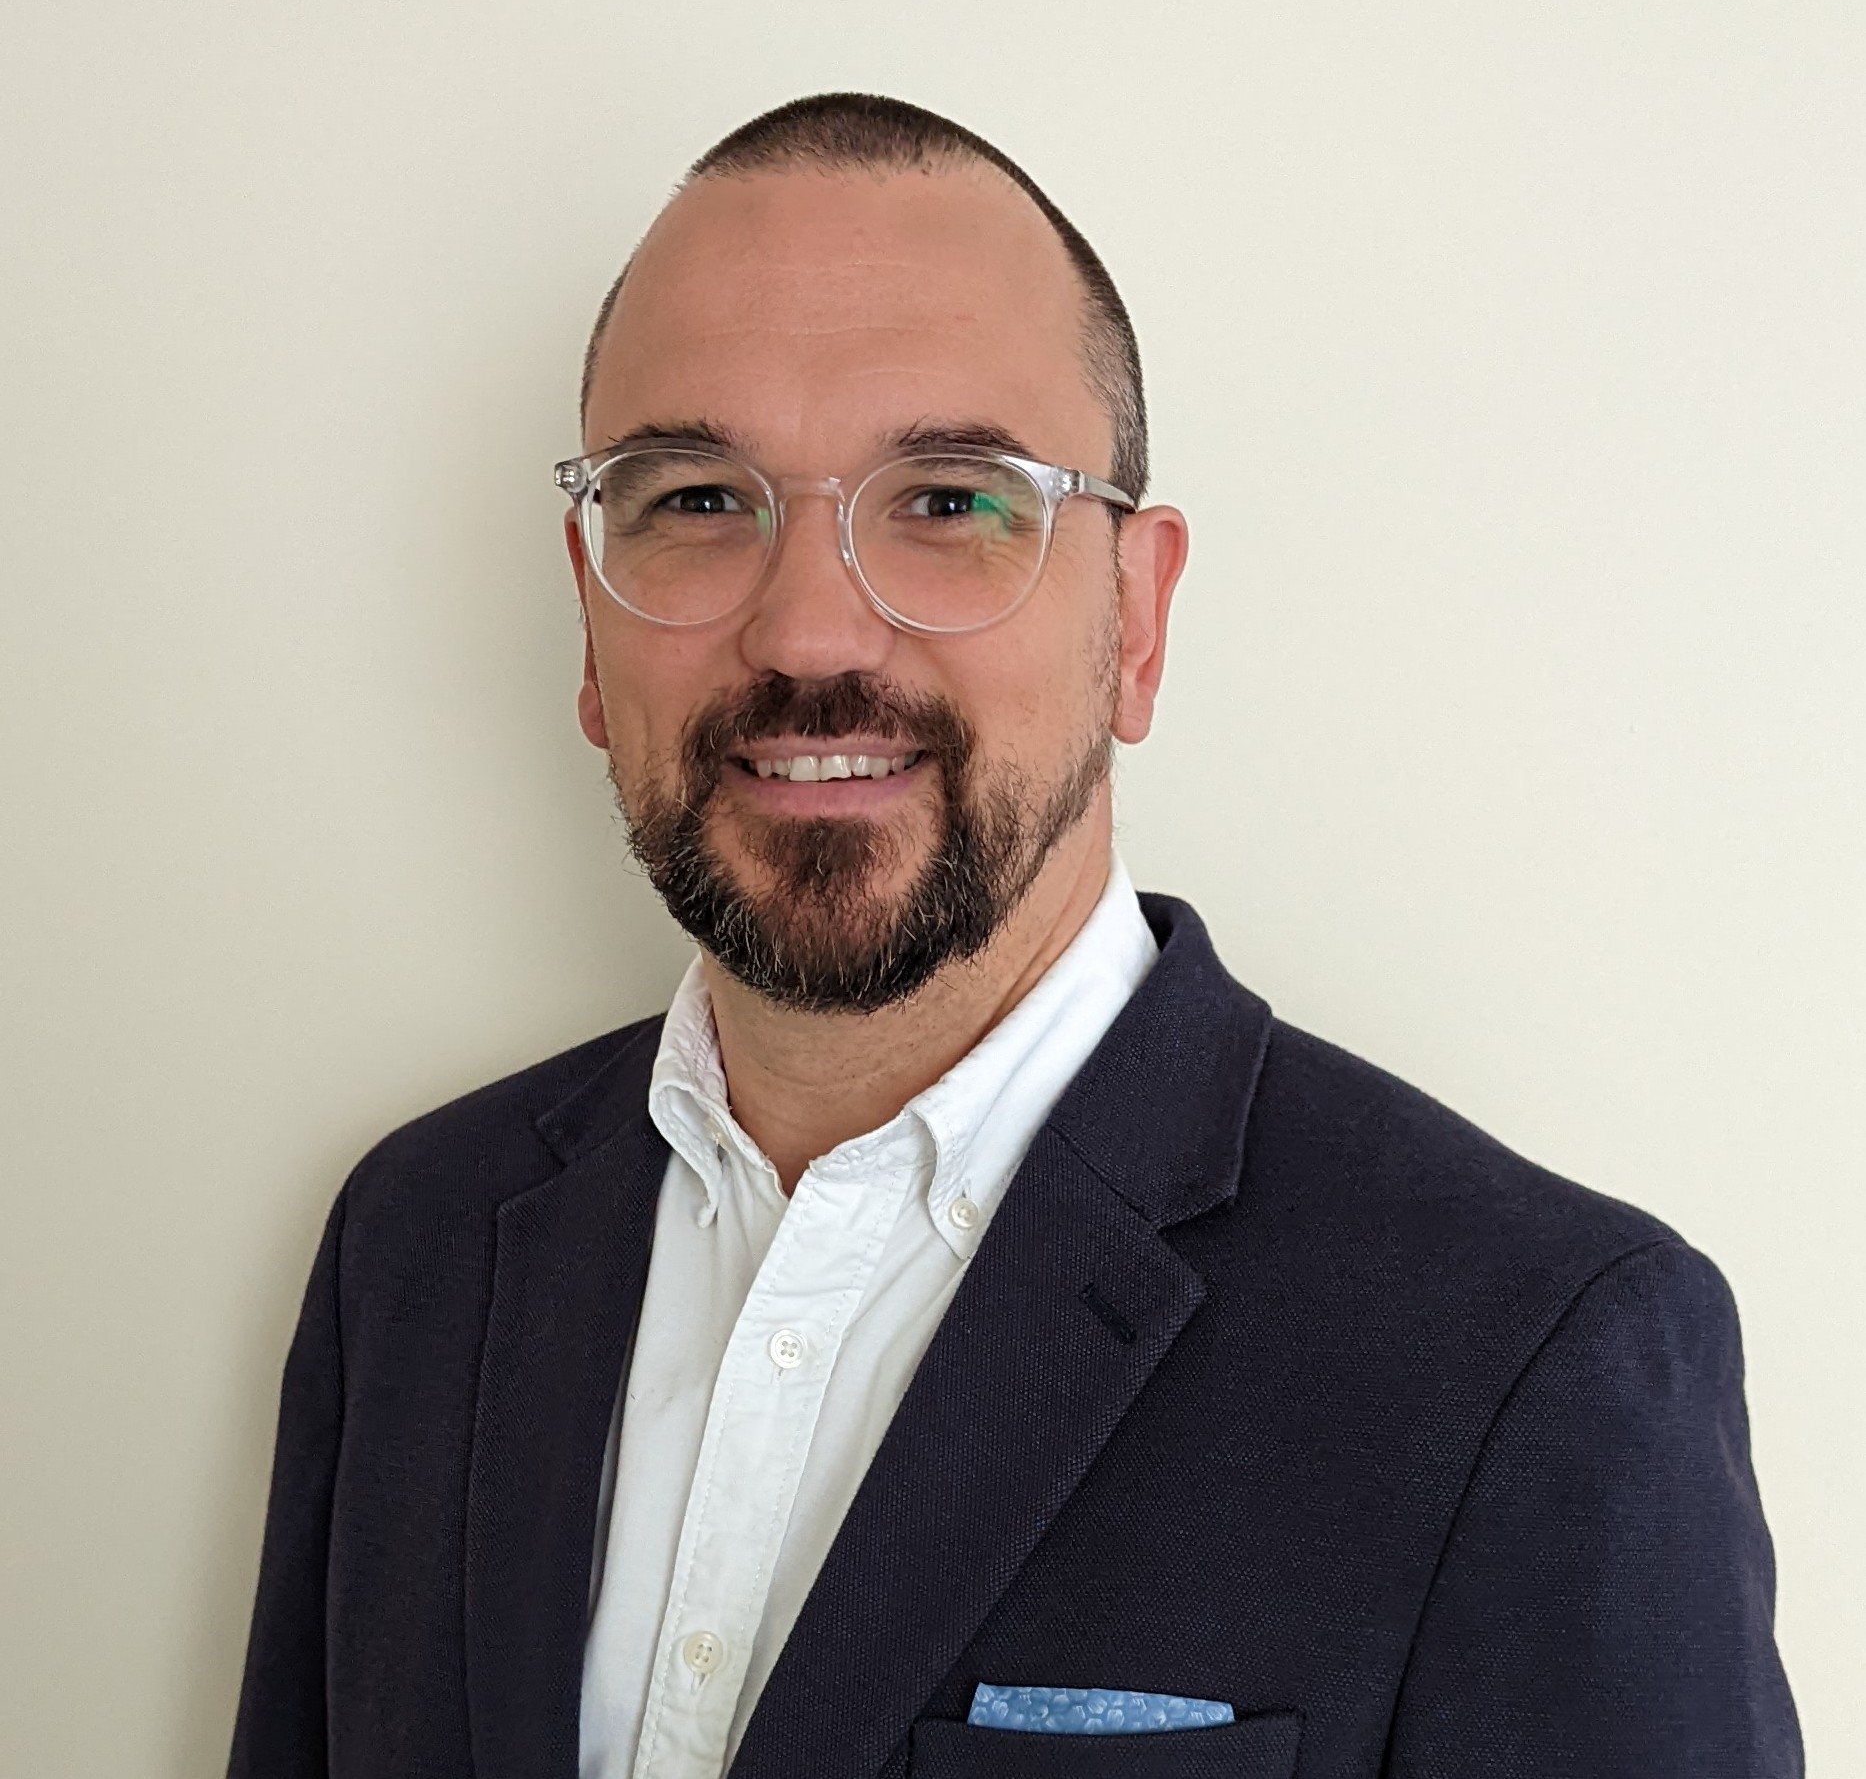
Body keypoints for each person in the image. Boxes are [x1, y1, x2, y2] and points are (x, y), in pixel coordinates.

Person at [228, 93, 1801, 1779]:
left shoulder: (1532, 1351)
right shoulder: (420, 1246)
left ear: (1134, 617)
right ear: (590, 618)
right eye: (693, 497)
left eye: (952, 499)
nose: (811, 623)